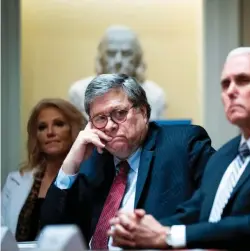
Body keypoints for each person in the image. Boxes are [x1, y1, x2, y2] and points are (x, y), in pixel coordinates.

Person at [107, 47, 250, 250]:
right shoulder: (226, 154)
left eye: (243, 80)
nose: (230, 91)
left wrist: (167, 235)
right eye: (225, 84)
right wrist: (141, 229)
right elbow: (195, 211)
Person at [41, 74, 215, 249]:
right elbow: (52, 232)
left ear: (144, 112)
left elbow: (219, 207)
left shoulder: (183, 145)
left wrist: (166, 234)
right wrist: (70, 164)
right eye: (100, 118)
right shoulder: (93, 162)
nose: (109, 126)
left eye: (119, 113)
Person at [1, 98, 86, 241]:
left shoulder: (89, 178)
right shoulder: (16, 181)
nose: (50, 132)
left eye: (59, 124)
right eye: (42, 127)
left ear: (74, 130)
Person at [68, 25, 166, 120]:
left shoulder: (154, 95)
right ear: (101, 57)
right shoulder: (79, 92)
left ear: (137, 58)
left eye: (126, 54)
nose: (118, 61)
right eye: (111, 53)